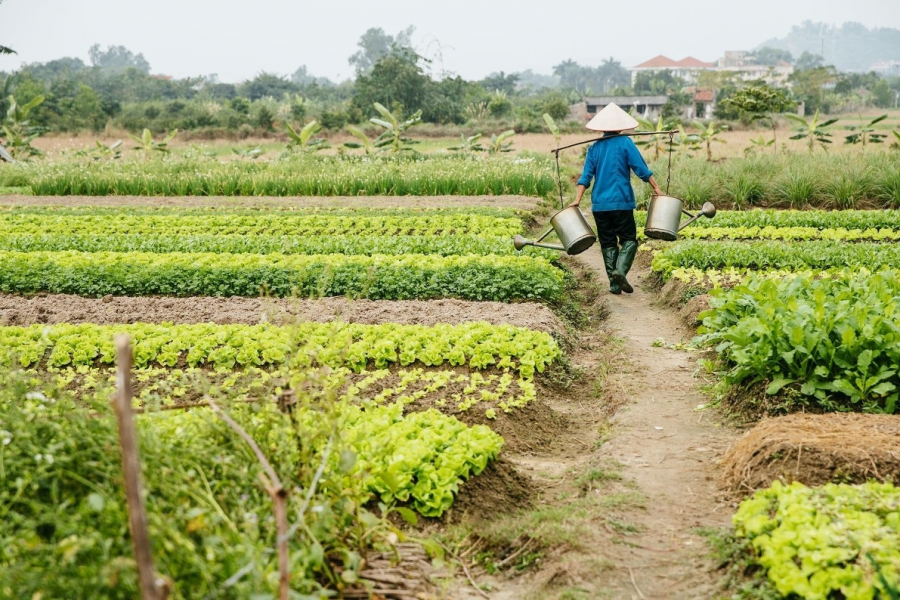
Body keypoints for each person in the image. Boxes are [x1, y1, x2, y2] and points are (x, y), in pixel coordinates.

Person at [569, 103, 662, 295]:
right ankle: (620, 271)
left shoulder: (594, 148)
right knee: (629, 240)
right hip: (621, 202)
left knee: (608, 242)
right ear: (620, 126)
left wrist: (577, 199)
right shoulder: (626, 143)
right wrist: (656, 187)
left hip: (600, 205)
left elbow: (585, 176)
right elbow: (641, 169)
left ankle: (614, 283)